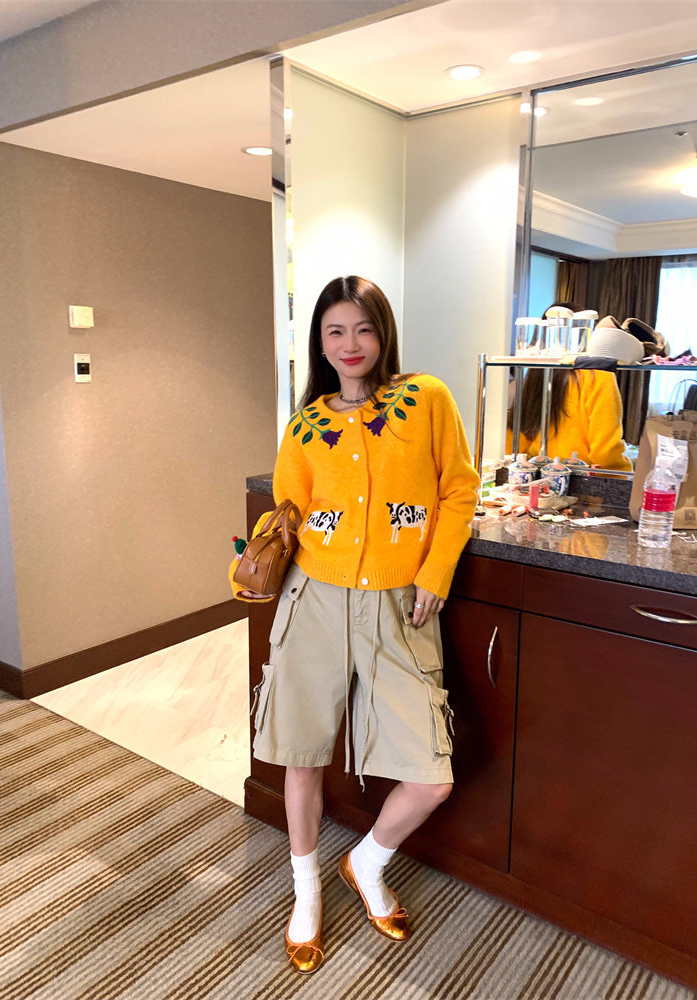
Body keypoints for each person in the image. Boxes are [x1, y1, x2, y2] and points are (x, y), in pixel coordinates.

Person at [249, 275, 479, 975]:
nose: (350, 344)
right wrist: (254, 556)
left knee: (432, 777)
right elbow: (289, 512)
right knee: (302, 754)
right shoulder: (306, 425)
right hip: (313, 600)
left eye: (364, 329)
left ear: (384, 334)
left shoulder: (426, 399)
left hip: (399, 604)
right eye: (335, 332)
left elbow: (459, 489)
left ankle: (367, 862)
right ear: (319, 343)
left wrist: (434, 573)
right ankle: (307, 891)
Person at [506, 302, 632, 470]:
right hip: (584, 475)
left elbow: (513, 446)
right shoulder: (598, 374)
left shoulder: (536, 375)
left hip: (537, 475)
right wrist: (626, 472)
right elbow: (605, 452)